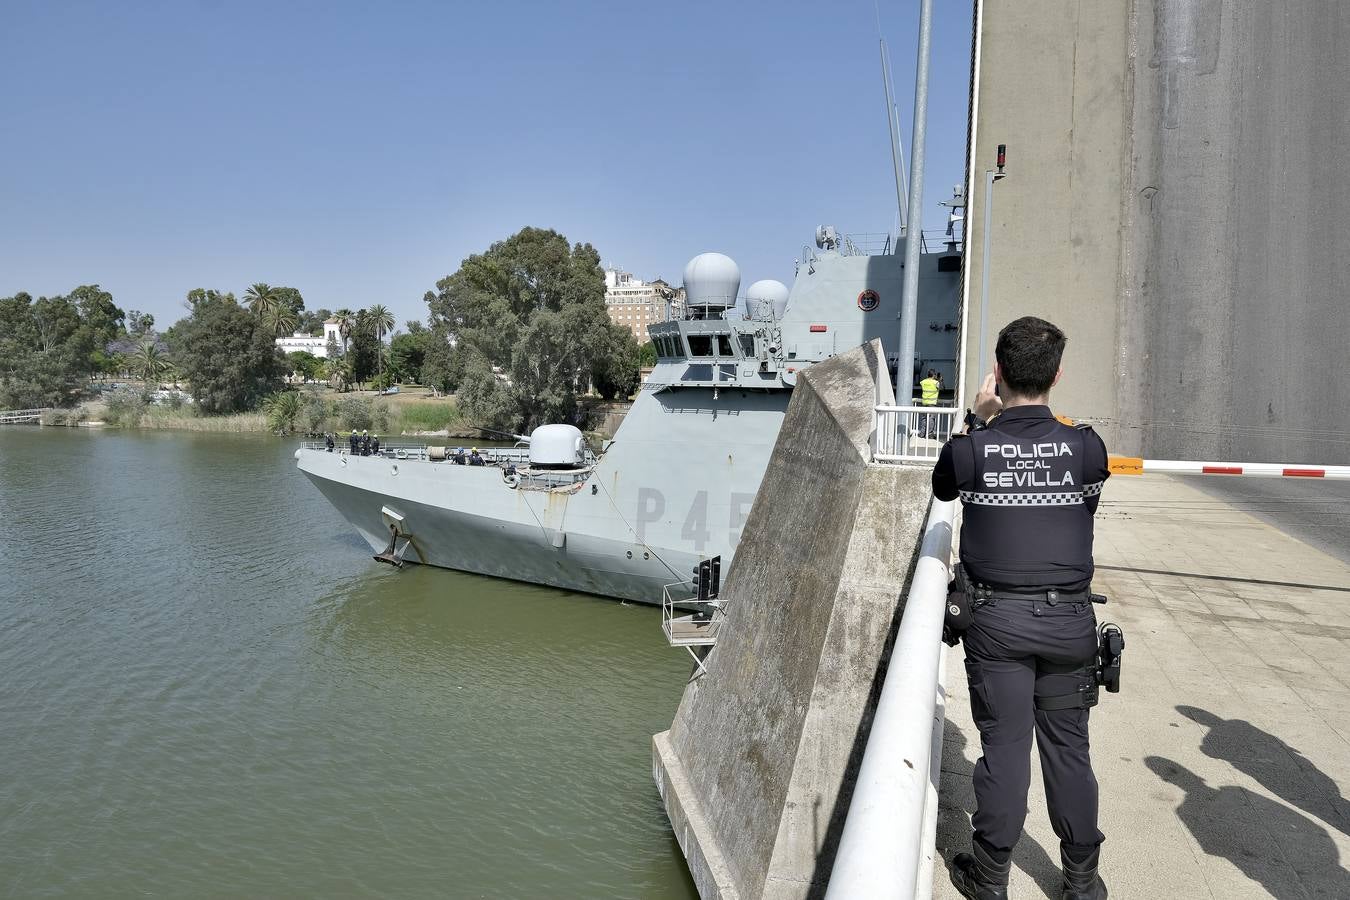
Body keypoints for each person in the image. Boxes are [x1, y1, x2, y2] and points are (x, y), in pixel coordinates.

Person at [932, 316, 1111, 900]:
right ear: (1057, 374)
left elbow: (942, 485)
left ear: (999, 374)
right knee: (1069, 750)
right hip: (1070, 624)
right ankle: (1081, 883)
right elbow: (1084, 494)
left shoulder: (973, 449)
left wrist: (978, 418)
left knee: (1004, 749)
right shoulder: (1086, 447)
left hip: (997, 625)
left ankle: (990, 880)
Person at [919, 368, 941, 438]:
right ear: (934, 375)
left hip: (924, 402)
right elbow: (943, 388)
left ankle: (922, 433)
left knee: (924, 419)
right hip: (932, 403)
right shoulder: (936, 383)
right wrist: (940, 380)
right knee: (931, 419)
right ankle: (929, 434)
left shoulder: (923, 382)